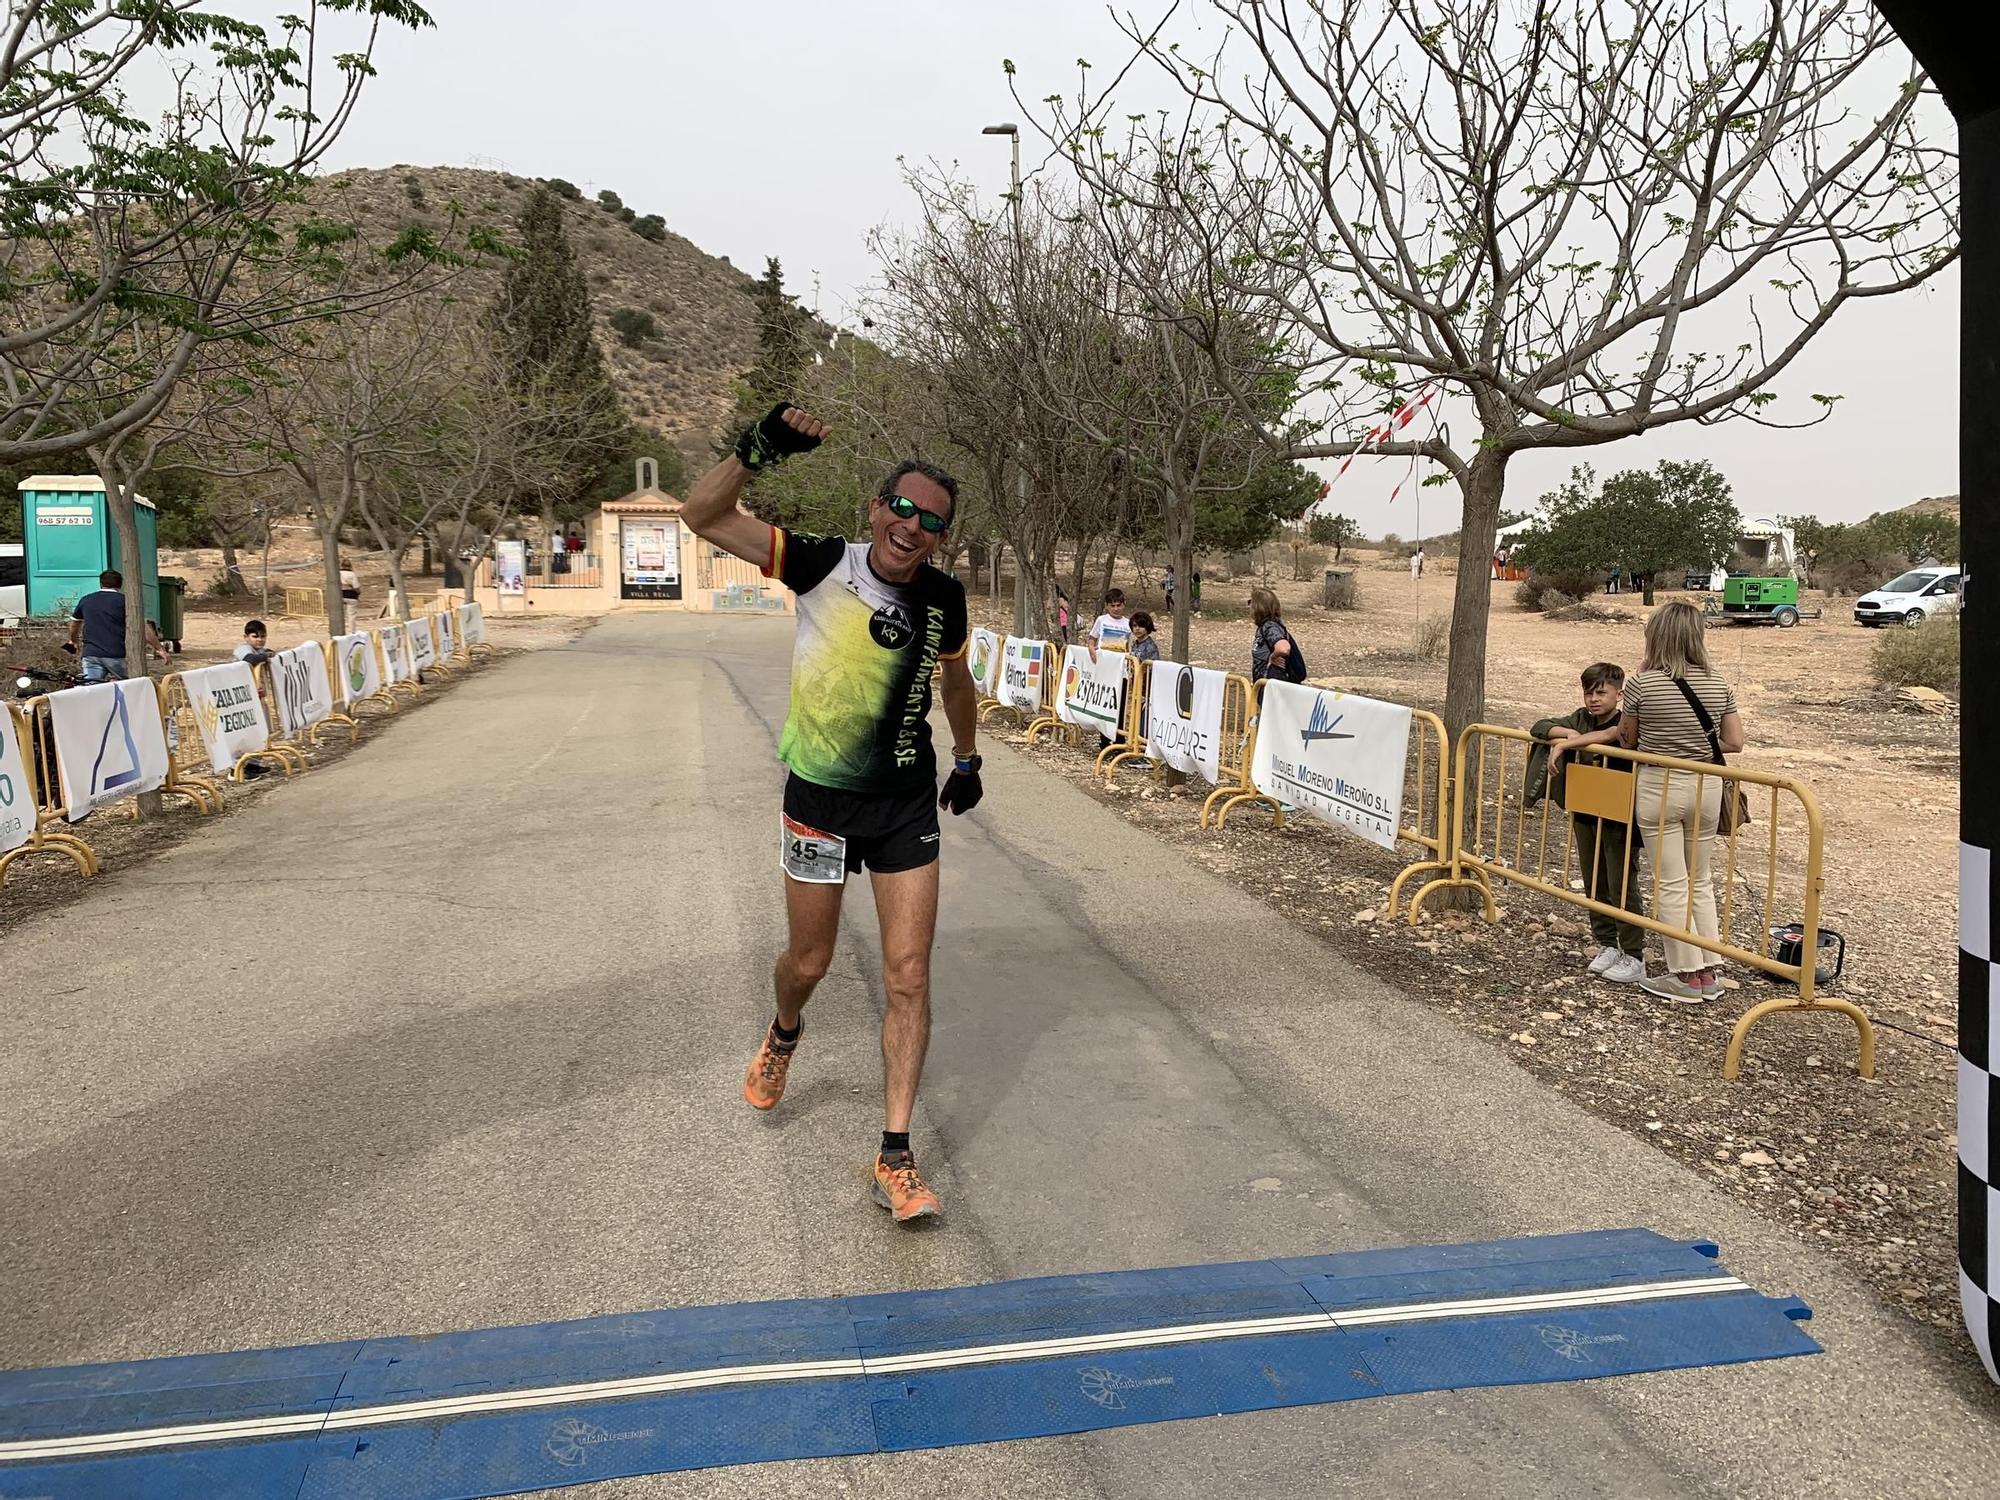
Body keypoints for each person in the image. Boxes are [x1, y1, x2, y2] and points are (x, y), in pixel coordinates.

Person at [679, 402, 982, 1224]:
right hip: (816, 801)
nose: (913, 528)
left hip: (904, 805)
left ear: (941, 538)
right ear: (878, 510)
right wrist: (758, 451)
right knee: (807, 966)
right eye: (903, 509)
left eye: (933, 522)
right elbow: (701, 515)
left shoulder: (945, 600)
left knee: (909, 974)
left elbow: (956, 683)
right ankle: (782, 1033)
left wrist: (968, 756)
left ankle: (894, 1155)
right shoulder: (819, 564)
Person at [1619, 600, 1745, 1003]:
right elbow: (1735, 742)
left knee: (1671, 882)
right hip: (1706, 785)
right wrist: (1697, 745)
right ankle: (1710, 970)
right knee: (1700, 879)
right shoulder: (1718, 682)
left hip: (1659, 783)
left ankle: (1685, 975)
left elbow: (1628, 739)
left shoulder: (1643, 684)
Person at [1527, 664, 1645, 985]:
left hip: (1619, 814)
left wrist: (1568, 745)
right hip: (1585, 808)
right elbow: (1539, 726)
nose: (1593, 699)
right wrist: (1567, 735)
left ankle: (1633, 952)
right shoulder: (1580, 719)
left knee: (1621, 880)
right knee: (1594, 879)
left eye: (1601, 692)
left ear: (1619, 695)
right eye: (1588, 692)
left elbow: (1617, 737)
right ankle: (1607, 943)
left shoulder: (1627, 722)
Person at [65, 570, 167, 682]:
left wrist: (73, 640)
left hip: (91, 655)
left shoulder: (86, 600)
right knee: (131, 685)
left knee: (92, 690)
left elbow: (74, 623)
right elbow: (143, 628)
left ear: (101, 583)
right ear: (120, 585)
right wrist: (159, 649)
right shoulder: (126, 602)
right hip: (117, 655)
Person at [1249, 587, 1306, 683]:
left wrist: (1273, 657)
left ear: (1258, 606)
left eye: (1251, 602)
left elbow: (1283, 648)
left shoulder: (1269, 626)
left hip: (1272, 686)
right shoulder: (1265, 626)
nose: (1248, 606)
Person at [1087, 588, 1132, 657]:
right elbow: (1092, 638)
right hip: (1102, 660)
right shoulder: (1101, 620)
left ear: (1124, 604)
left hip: (1120, 662)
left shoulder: (1128, 623)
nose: (1116, 609)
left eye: (1118, 605)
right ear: (1106, 606)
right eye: (1112, 606)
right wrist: (1091, 648)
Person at [338, 558, 361, 632]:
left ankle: (339, 630)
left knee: (339, 614)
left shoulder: (337, 573)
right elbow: (356, 587)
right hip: (351, 596)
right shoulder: (352, 574)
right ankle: (352, 631)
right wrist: (359, 593)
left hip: (340, 595)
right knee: (351, 615)